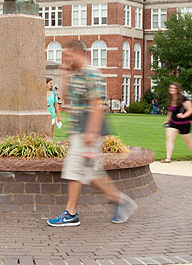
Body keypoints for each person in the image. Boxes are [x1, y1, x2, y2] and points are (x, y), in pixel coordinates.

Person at [47, 40, 137, 227]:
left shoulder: (90, 73)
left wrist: (91, 133)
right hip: (80, 130)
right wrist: (64, 75)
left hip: (88, 131)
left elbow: (97, 106)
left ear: (79, 54)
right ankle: (120, 201)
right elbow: (66, 97)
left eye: (69, 55)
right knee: (90, 172)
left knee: (74, 171)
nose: (67, 59)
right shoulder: (77, 74)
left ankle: (71, 213)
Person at [161, 82, 192, 163]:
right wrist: (168, 120)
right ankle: (168, 158)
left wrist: (184, 115)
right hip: (173, 122)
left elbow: (191, 110)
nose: (172, 90)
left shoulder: (183, 99)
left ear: (178, 89)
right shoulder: (170, 98)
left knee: (188, 141)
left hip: (184, 123)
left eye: (174, 88)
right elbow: (170, 111)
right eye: (171, 88)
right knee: (169, 138)